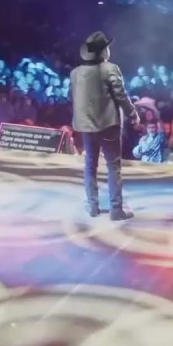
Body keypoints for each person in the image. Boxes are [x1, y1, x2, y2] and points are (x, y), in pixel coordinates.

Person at [70, 31, 138, 220]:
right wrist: (132, 113)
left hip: (86, 126)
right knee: (113, 166)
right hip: (108, 125)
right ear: (103, 51)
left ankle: (93, 207)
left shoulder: (75, 73)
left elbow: (74, 98)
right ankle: (116, 210)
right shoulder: (110, 69)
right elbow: (121, 95)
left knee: (90, 165)